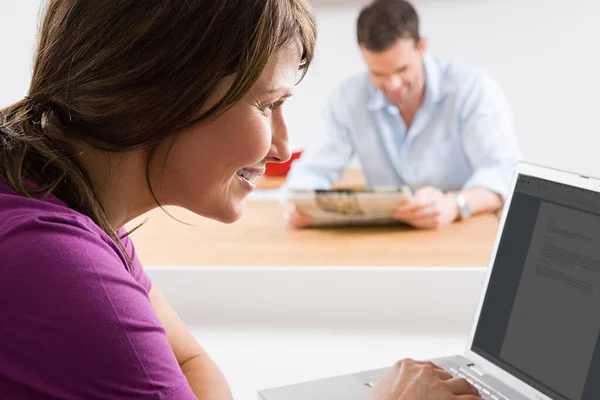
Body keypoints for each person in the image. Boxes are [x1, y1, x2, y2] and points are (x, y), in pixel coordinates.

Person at [0, 1, 481, 399]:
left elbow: (189, 362)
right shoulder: (59, 266)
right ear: (165, 91)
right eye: (268, 105)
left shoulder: (65, 200)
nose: (282, 146)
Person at [283, 0, 521, 230]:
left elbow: (504, 172)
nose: (393, 84)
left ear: (422, 46)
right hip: (388, 235)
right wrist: (298, 204)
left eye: (402, 69)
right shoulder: (350, 98)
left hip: (461, 228)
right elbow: (313, 171)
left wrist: (455, 205)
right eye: (378, 73)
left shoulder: (472, 89)